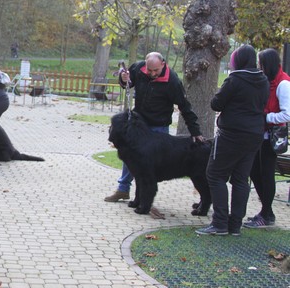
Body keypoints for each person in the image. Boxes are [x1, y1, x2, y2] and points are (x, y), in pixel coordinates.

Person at [104, 52, 204, 202]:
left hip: (159, 126)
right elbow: (127, 83)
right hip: (138, 125)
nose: (152, 73)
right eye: (149, 70)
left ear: (163, 64)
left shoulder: (172, 81)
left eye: (155, 70)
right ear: (145, 64)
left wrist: (195, 131)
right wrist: (123, 78)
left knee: (151, 166)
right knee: (130, 156)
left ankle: (144, 198)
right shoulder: (138, 68)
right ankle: (123, 189)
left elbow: (184, 107)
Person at [196, 45, 269, 236]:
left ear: (238, 60)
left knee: (215, 175)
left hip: (231, 134)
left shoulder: (235, 79)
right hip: (254, 134)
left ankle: (220, 222)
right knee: (240, 179)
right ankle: (235, 224)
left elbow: (216, 104)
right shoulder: (263, 80)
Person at [244, 48, 290, 228]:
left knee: (267, 174)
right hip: (260, 134)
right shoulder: (267, 82)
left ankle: (266, 213)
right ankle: (267, 212)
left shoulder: (283, 84)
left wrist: (266, 117)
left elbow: (287, 114)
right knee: (254, 171)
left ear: (268, 64)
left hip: (271, 136)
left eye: (261, 64)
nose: (259, 67)